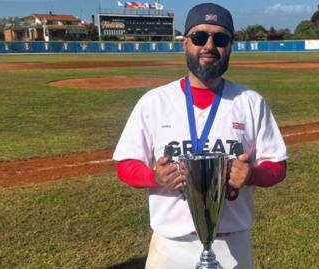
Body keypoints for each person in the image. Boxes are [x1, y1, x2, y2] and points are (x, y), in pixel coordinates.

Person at [113, 3, 288, 268]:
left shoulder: (251, 102)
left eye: (220, 39)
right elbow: (125, 165)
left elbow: (278, 165)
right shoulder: (155, 102)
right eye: (199, 37)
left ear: (230, 46)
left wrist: (253, 175)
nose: (209, 45)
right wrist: (154, 177)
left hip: (231, 246)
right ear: (185, 43)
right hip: (171, 246)